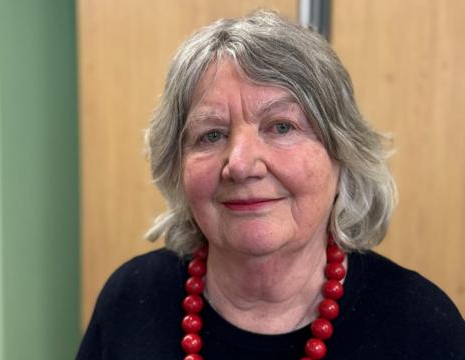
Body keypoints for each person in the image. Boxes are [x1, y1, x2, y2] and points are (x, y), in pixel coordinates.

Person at [76, 10, 465, 360]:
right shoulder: (130, 301)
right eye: (211, 135)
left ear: (342, 152)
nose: (241, 165)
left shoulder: (420, 326)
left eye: (281, 127)